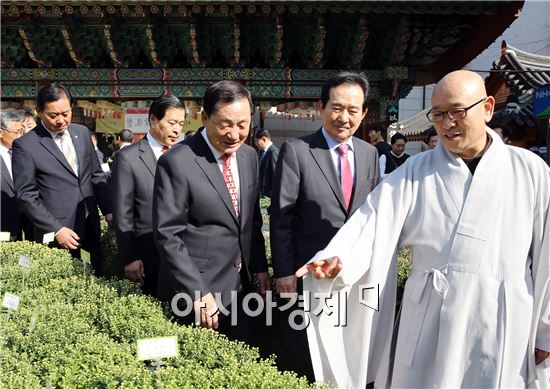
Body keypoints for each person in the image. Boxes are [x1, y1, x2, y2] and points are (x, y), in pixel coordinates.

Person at [297, 70, 550, 388]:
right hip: (431, 314)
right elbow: (372, 222)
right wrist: (337, 259)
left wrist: (546, 332)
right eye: (439, 114)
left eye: (457, 111)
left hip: (500, 317)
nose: (446, 123)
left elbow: (547, 256)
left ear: (487, 107)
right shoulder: (415, 171)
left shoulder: (530, 171)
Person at [270, 71, 380, 380]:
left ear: (364, 113)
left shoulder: (370, 154)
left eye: (353, 110)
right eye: (337, 107)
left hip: (352, 278)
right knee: (304, 356)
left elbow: (371, 217)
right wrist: (284, 274)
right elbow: (281, 219)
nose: (344, 117)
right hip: (308, 277)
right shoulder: (298, 151)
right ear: (322, 107)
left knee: (348, 353)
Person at [153, 81, 271, 345]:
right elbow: (168, 235)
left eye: (242, 125)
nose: (234, 134)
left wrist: (260, 269)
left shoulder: (249, 156)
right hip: (197, 294)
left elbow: (250, 221)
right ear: (205, 117)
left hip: (241, 290)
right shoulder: (177, 162)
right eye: (225, 124)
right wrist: (197, 292)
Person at [12, 83, 113, 274]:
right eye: (53, 115)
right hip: (56, 232)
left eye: (65, 113)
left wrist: (108, 211)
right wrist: (56, 229)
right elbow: (26, 195)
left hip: (89, 222)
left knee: (94, 275)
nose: (61, 120)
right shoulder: (26, 145)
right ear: (39, 111)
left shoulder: (82, 133)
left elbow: (96, 175)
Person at [112, 95, 186, 297]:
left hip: (183, 255)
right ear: (153, 120)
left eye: (181, 123)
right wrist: (129, 257)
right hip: (147, 255)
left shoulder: (184, 155)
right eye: (172, 123)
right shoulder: (128, 158)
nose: (177, 130)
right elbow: (122, 213)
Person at [0, 110, 32, 240]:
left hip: (28, 219)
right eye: (16, 132)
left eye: (22, 132)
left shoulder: (24, 153)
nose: (20, 137)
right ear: (1, 132)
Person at [253, 128, 279, 198]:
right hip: (262, 194)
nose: (256, 144)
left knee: (265, 209)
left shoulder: (273, 152)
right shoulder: (261, 152)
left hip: (269, 195)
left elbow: (276, 176)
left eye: (256, 141)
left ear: (264, 139)